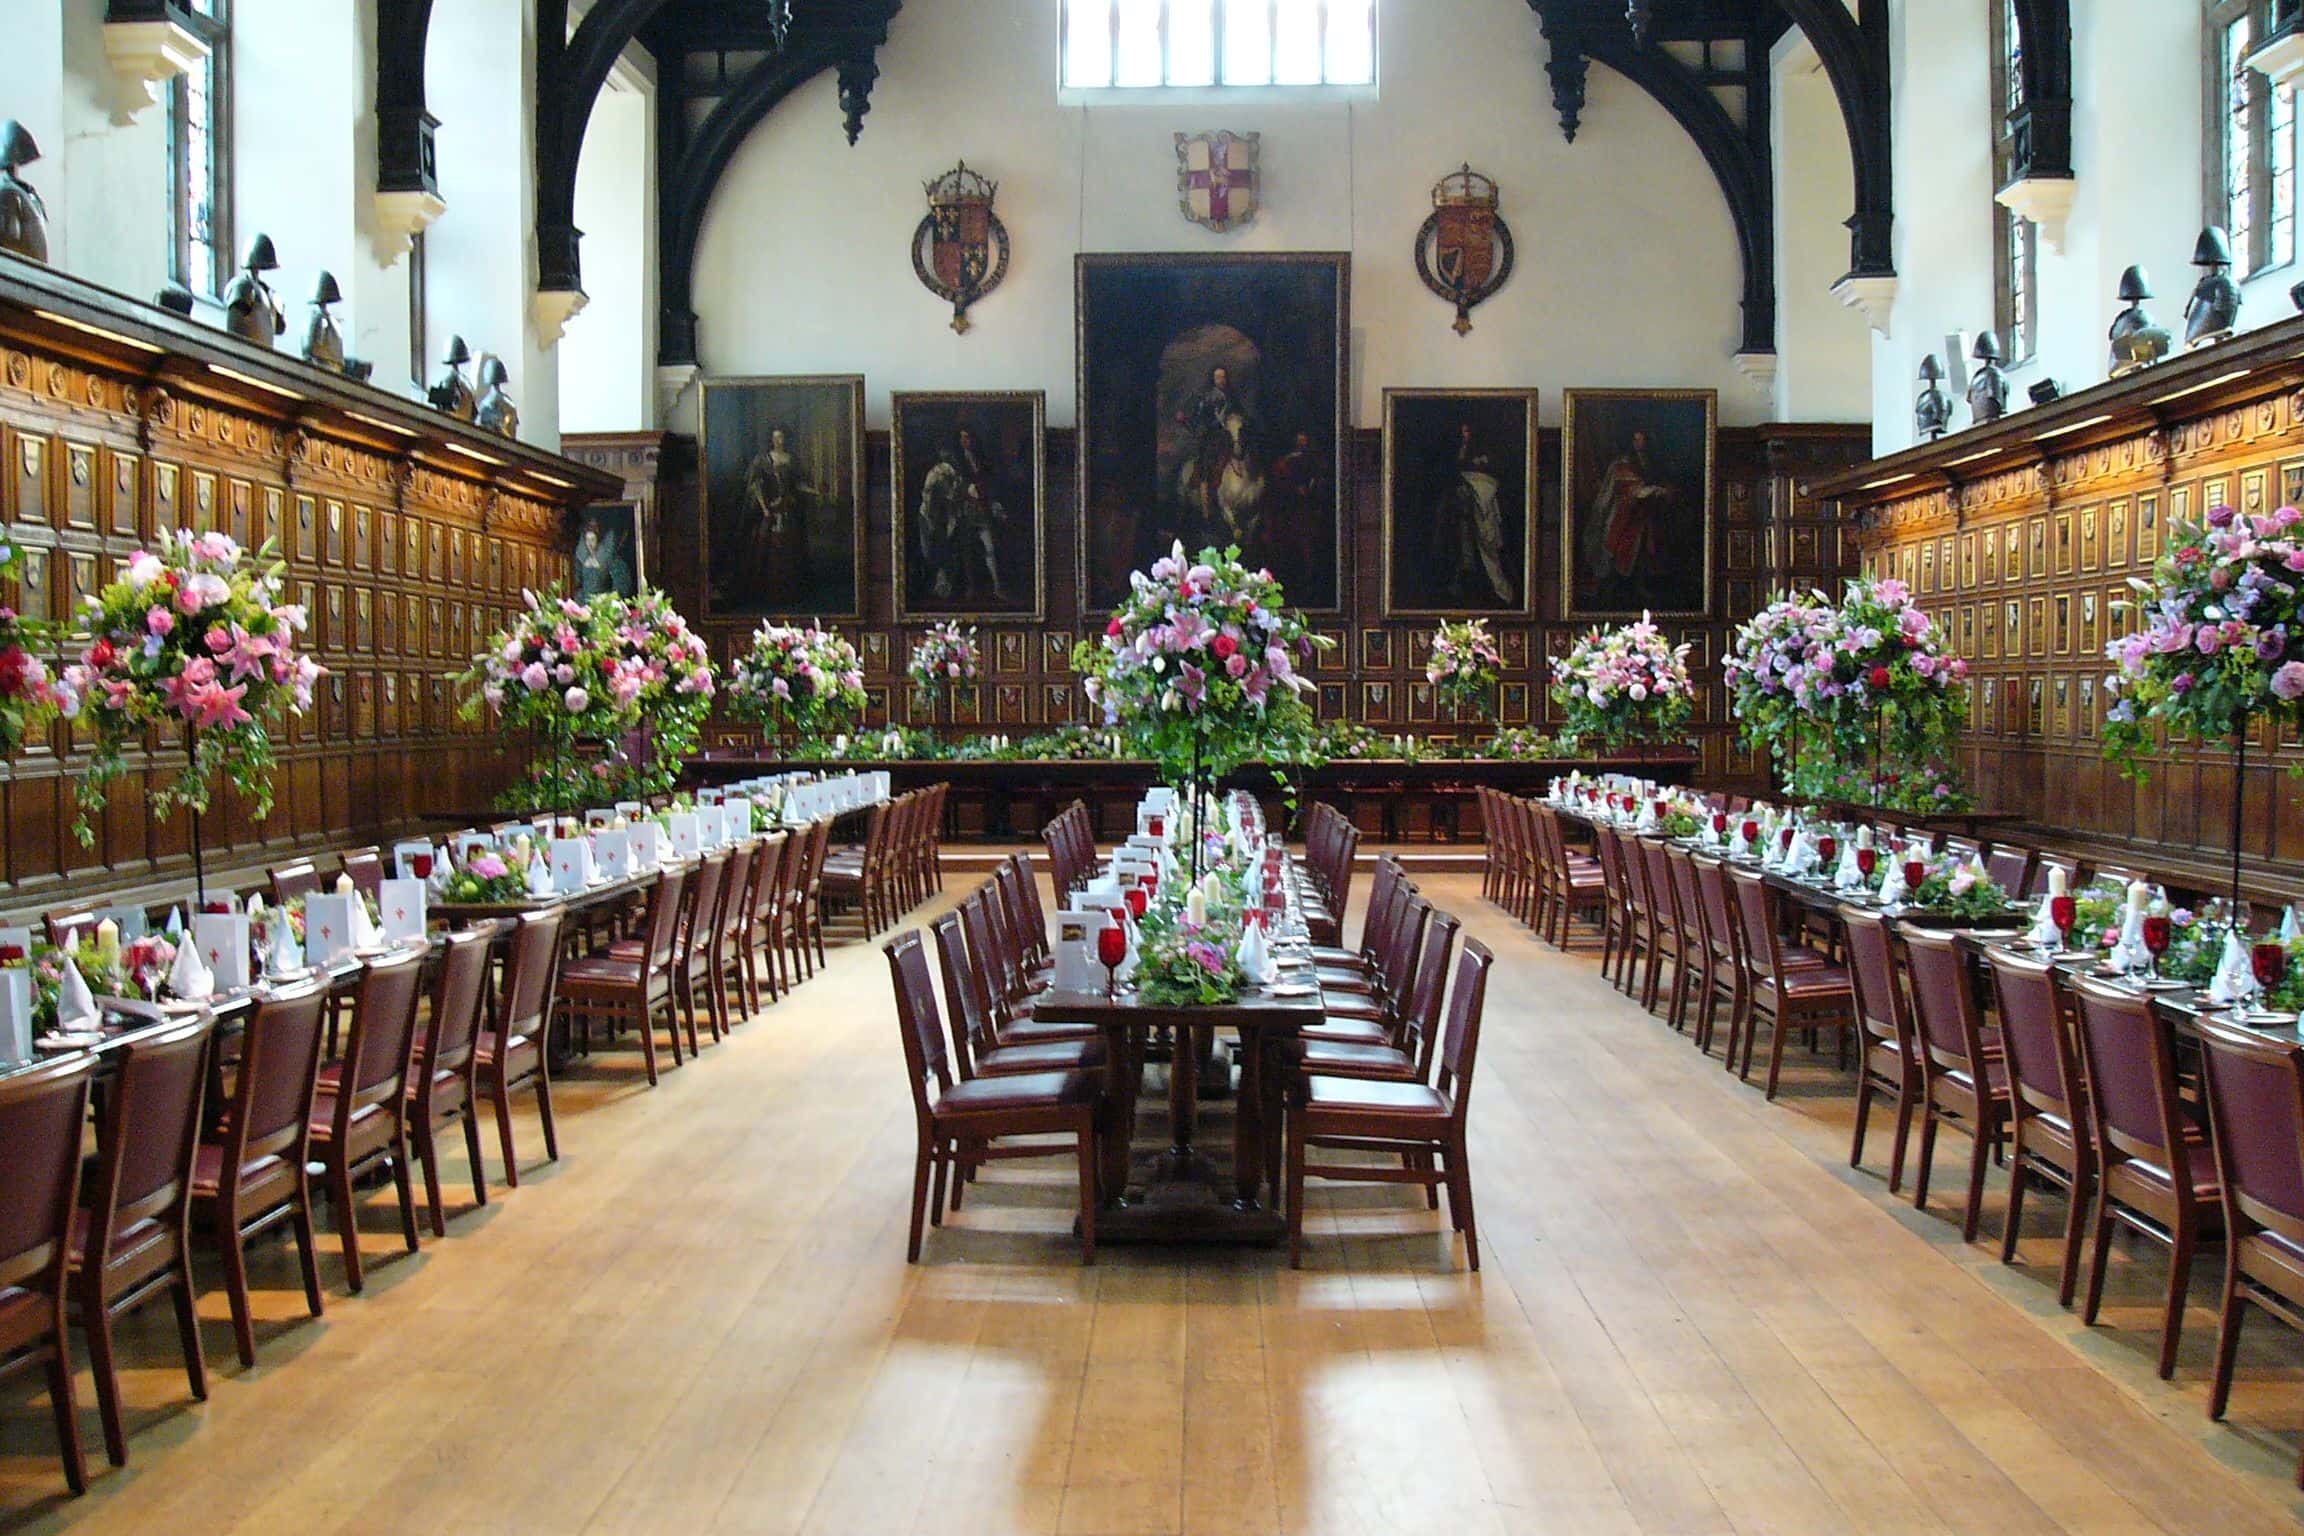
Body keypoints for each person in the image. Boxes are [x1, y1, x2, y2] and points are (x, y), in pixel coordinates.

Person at [1580, 429, 1676, 608]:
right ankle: (1612, 589)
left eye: (1643, 439)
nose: (1640, 443)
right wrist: (1653, 490)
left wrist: (1662, 491)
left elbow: (1659, 484)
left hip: (1643, 517)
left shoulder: (1651, 462)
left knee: (1642, 553)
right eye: (1636, 439)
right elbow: (1630, 489)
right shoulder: (1621, 464)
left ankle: (1638, 586)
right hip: (1623, 517)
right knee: (1618, 552)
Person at [916, 425, 1011, 604]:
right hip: (963, 513)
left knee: (990, 548)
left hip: (981, 510)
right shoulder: (954, 465)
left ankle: (997, 586)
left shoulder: (981, 460)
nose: (966, 441)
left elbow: (988, 486)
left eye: (968, 437)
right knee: (965, 553)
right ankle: (969, 587)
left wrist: (994, 506)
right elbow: (952, 491)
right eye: (962, 438)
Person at [1435, 421, 1515, 605]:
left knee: (1487, 548)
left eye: (1467, 430)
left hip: (1481, 504)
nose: (1464, 434)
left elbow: (1489, 482)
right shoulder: (1453, 457)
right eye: (1462, 431)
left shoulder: (1484, 456)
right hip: (1462, 516)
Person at [744, 427, 813, 599]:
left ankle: (790, 589)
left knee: (791, 546)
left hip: (788, 509)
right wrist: (765, 508)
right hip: (768, 511)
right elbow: (755, 486)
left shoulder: (792, 460)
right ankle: (765, 589)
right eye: (776, 437)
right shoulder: (762, 460)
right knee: (765, 545)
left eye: (781, 437)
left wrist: (812, 491)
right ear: (771, 439)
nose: (779, 441)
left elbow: (798, 485)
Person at [573, 520, 631, 599]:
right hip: (584, 603)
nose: (589, 544)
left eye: (592, 539)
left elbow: (621, 585)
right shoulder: (582, 560)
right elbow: (576, 581)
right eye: (587, 540)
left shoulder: (609, 559)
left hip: (602, 603)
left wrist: (606, 598)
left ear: (598, 540)